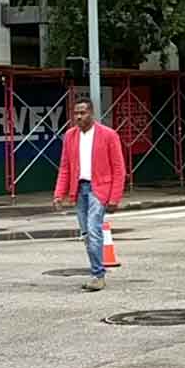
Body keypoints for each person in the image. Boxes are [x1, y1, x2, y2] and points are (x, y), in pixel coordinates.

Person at [53, 99, 126, 292]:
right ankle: (96, 272)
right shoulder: (70, 136)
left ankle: (98, 275)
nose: (78, 116)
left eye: (83, 112)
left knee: (94, 230)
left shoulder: (108, 135)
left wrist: (114, 198)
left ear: (91, 113)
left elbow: (119, 168)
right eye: (76, 113)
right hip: (79, 189)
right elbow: (65, 166)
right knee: (86, 234)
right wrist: (59, 193)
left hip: (99, 189)